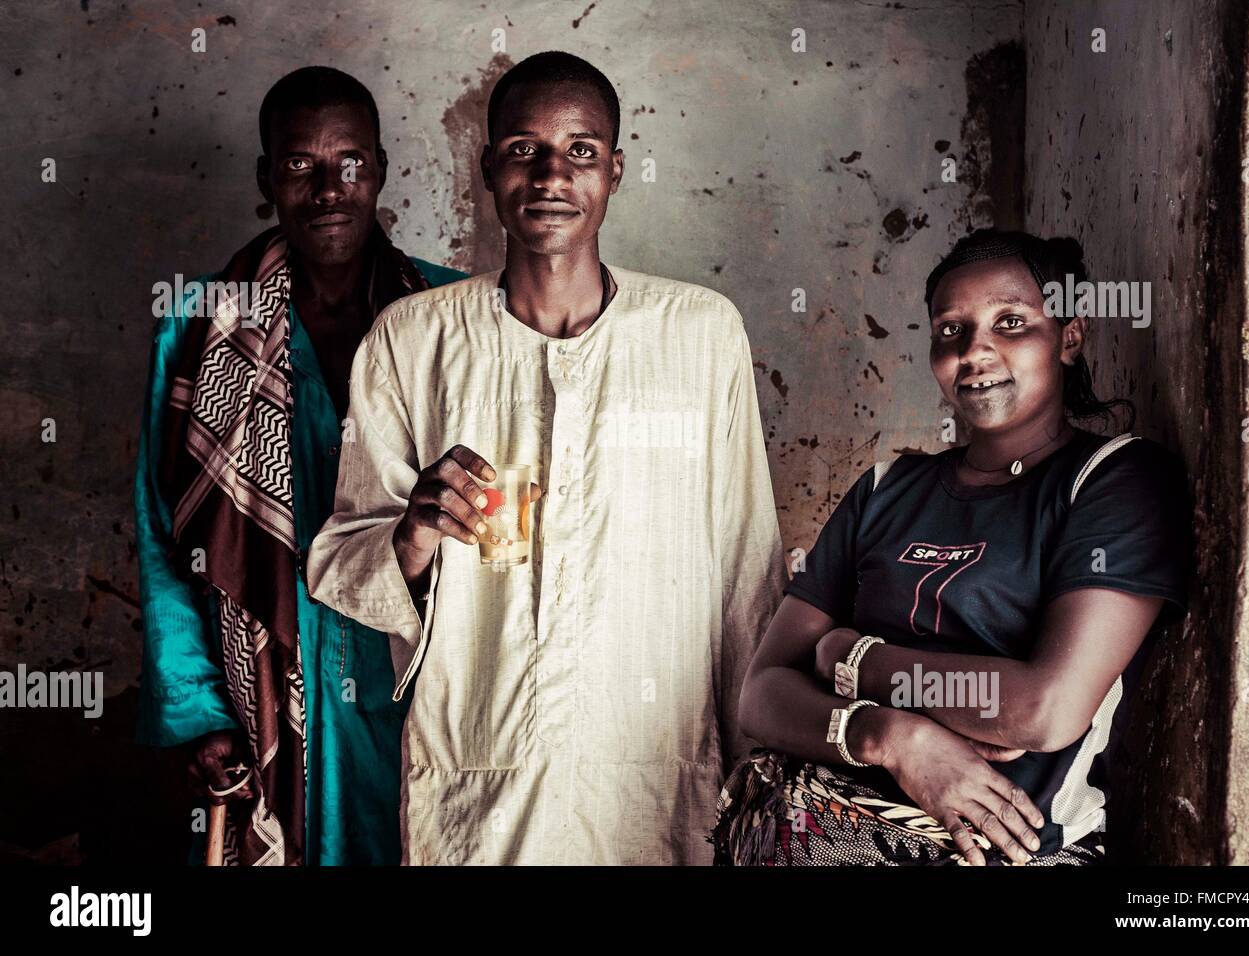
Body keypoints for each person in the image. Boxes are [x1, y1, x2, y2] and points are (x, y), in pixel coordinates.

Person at [306, 51, 787, 865]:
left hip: (657, 773)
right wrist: (414, 533)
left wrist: (758, 771)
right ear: (490, 166)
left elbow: (746, 569)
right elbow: (346, 553)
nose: (552, 175)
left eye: (582, 152)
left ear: (616, 171)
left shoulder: (699, 335)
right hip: (481, 770)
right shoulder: (414, 339)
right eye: (525, 150)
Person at [716, 230, 1192, 866]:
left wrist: (853, 658)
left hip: (991, 852)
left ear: (1069, 336)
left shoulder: (1113, 480)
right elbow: (763, 695)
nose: (976, 352)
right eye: (951, 330)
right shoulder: (887, 489)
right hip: (803, 828)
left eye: (1012, 322)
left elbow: (1041, 709)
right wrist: (893, 736)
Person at [135, 66, 464, 865]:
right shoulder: (201, 325)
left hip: (417, 686)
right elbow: (162, 535)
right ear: (265, 178)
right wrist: (199, 712)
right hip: (262, 688)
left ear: (381, 170)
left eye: (350, 163)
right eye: (298, 166)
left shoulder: (450, 313)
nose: (328, 189)